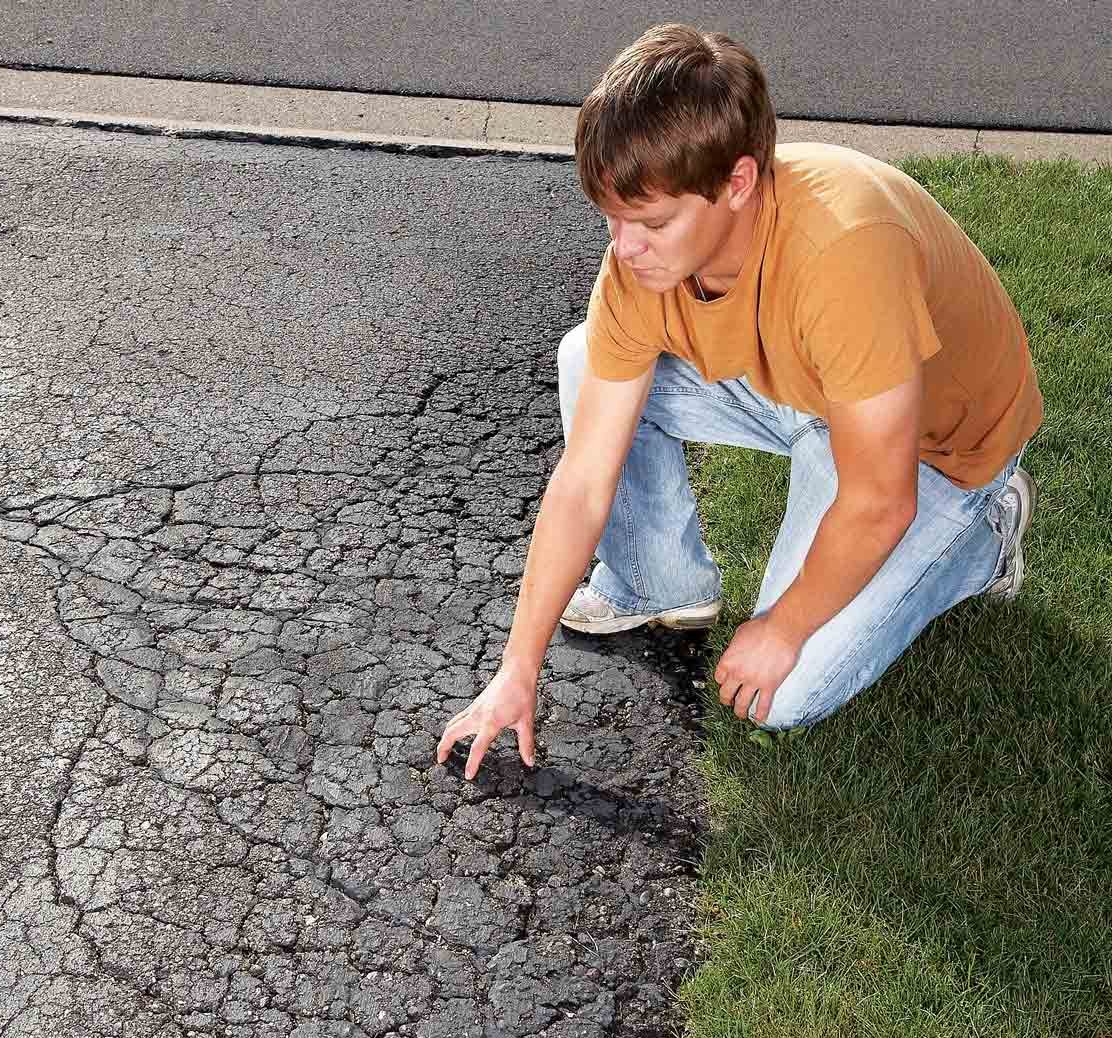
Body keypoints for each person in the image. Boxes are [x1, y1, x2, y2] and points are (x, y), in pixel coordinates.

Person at [436, 23, 1042, 780]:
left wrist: (785, 626)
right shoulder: (642, 261)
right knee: (590, 355)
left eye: (653, 223)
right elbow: (585, 478)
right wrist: (515, 670)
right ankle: (660, 582)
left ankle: (985, 534)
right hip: (810, 394)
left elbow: (880, 501)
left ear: (739, 183)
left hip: (936, 446)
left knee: (778, 690)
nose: (624, 249)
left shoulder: (844, 254)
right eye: (613, 217)